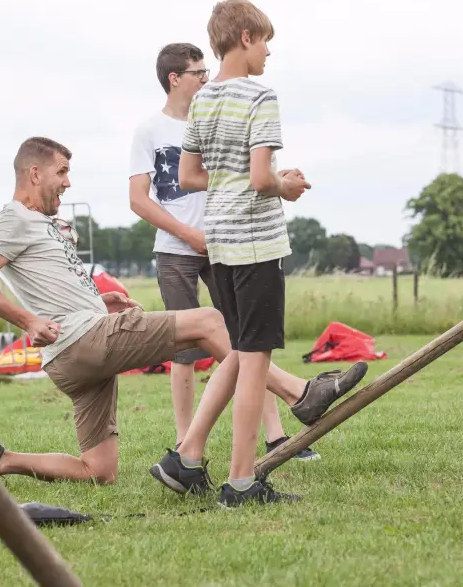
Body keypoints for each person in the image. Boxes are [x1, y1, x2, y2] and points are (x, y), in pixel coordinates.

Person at [0, 136, 367, 486]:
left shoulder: (41, 223)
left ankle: (1, 461)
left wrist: (100, 301)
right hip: (82, 341)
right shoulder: (13, 219)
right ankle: (300, 394)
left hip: (70, 357)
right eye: (61, 172)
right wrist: (26, 321)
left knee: (98, 471)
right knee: (213, 321)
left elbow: (46, 287)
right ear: (34, 173)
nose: (68, 182)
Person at [149, 0, 367, 506]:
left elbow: (188, 177)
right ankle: (242, 481)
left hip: (221, 242)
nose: (269, 52)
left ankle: (187, 456)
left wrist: (240, 181)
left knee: (243, 349)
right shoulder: (261, 96)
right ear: (245, 37)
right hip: (257, 242)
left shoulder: (202, 100)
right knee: (254, 359)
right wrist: (284, 185)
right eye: (265, 40)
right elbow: (262, 176)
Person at [128, 42, 320, 462]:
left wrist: (272, 176)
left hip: (223, 240)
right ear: (175, 78)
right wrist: (185, 233)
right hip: (177, 249)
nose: (204, 77)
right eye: (197, 72)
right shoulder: (149, 131)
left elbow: (237, 173)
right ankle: (184, 443)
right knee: (184, 351)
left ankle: (276, 435)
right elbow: (139, 200)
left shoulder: (212, 113)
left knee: (243, 341)